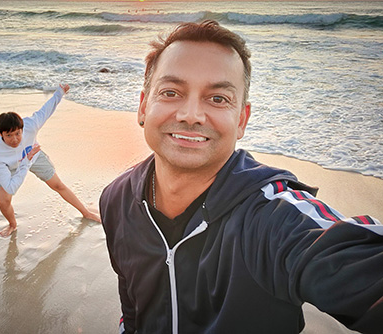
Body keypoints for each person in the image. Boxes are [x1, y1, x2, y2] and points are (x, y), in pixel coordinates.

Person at [99, 20, 383, 334]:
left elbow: (349, 255)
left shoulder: (271, 218)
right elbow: (132, 307)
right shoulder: (115, 200)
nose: (190, 115)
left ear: (242, 120)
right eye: (170, 92)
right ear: (142, 107)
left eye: (218, 98)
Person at [0, 84, 100, 237]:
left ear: (22, 129)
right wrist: (24, 163)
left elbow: (47, 110)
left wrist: (60, 92)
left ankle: (86, 213)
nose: (14, 139)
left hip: (33, 155)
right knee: (4, 201)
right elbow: (11, 187)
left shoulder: (31, 125)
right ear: (1, 134)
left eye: (17, 134)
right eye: (9, 136)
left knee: (58, 184)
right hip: (9, 165)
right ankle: (12, 225)